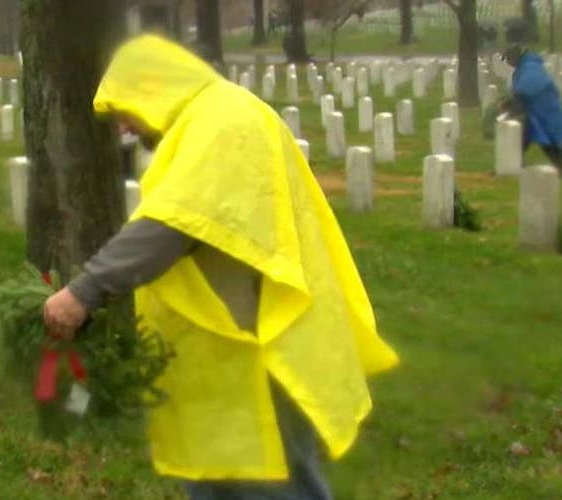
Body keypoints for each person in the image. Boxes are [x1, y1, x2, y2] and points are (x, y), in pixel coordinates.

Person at [43, 35, 399, 499]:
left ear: (153, 87)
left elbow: (168, 228)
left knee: (272, 483)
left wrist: (84, 292)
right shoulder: (207, 121)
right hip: (224, 346)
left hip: (258, 345)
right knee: (217, 475)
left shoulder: (222, 123)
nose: (125, 127)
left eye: (125, 109)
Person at [504, 45, 562, 176]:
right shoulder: (525, 66)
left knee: (551, 145)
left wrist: (510, 103)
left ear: (517, 56)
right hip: (535, 113)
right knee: (521, 140)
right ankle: (511, 167)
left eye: (509, 58)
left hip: (546, 112)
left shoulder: (530, 67)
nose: (508, 61)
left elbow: (525, 89)